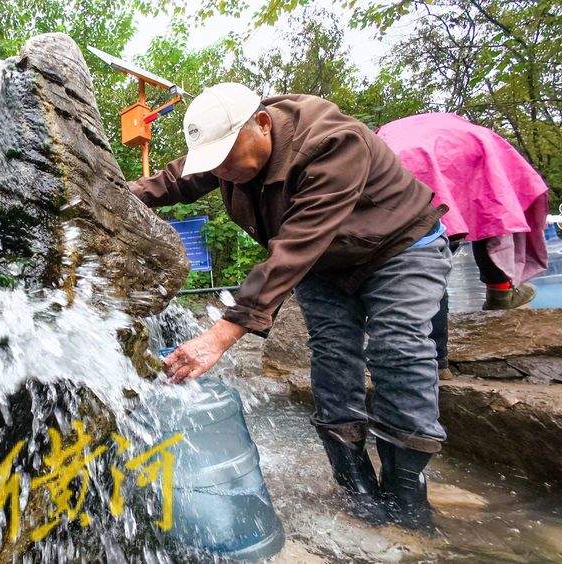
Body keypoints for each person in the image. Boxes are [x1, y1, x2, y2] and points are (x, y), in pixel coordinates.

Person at [129, 83, 451, 532]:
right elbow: (173, 180)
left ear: (262, 124)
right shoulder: (229, 153)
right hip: (323, 265)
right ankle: (355, 482)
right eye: (213, 162)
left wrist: (221, 335)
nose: (221, 170)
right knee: (334, 359)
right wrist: (113, 195)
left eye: (226, 158)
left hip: (397, 248)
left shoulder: (333, 144)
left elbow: (295, 246)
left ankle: (406, 491)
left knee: (398, 351)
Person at [376, 114, 550, 378]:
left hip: (400, 184)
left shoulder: (387, 135)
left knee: (425, 268)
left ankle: (436, 362)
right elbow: (499, 208)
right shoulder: (473, 134)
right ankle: (501, 293)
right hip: (438, 171)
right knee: (489, 215)